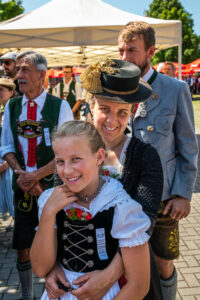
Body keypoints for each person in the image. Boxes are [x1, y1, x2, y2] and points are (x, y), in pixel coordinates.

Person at [44, 59, 163, 300]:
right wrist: (54, 266)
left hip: (129, 273)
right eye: (105, 109)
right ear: (91, 107)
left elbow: (146, 217)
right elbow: (59, 215)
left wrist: (109, 275)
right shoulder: (71, 152)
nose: (112, 120)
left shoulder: (145, 156)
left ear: (132, 113)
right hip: (74, 273)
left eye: (122, 112)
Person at [118, 21, 198, 300]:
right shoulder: (116, 87)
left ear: (150, 51)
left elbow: (189, 148)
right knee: (126, 264)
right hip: (123, 194)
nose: (125, 57)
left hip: (164, 199)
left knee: (163, 264)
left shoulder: (175, 89)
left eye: (132, 50)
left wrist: (182, 194)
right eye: (121, 50)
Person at [30, 120, 151, 300]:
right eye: (60, 161)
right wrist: (48, 213)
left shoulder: (119, 204)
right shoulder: (50, 201)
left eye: (76, 159)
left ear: (99, 157)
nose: (67, 171)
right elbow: (40, 268)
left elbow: (139, 285)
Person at [1, 50, 73, 300]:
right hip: (22, 188)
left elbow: (68, 152)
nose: (18, 75)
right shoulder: (12, 106)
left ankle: (56, 294)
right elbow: (7, 146)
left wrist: (37, 176)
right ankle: (27, 296)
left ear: (42, 75)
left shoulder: (60, 106)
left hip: (52, 188)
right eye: (18, 69)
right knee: (22, 246)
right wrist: (22, 174)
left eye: (25, 70)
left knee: (55, 243)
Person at [0, 78, 16, 217]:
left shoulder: (14, 108)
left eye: (1, 90)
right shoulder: (4, 109)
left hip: (10, 162)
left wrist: (6, 164)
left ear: (11, 92)